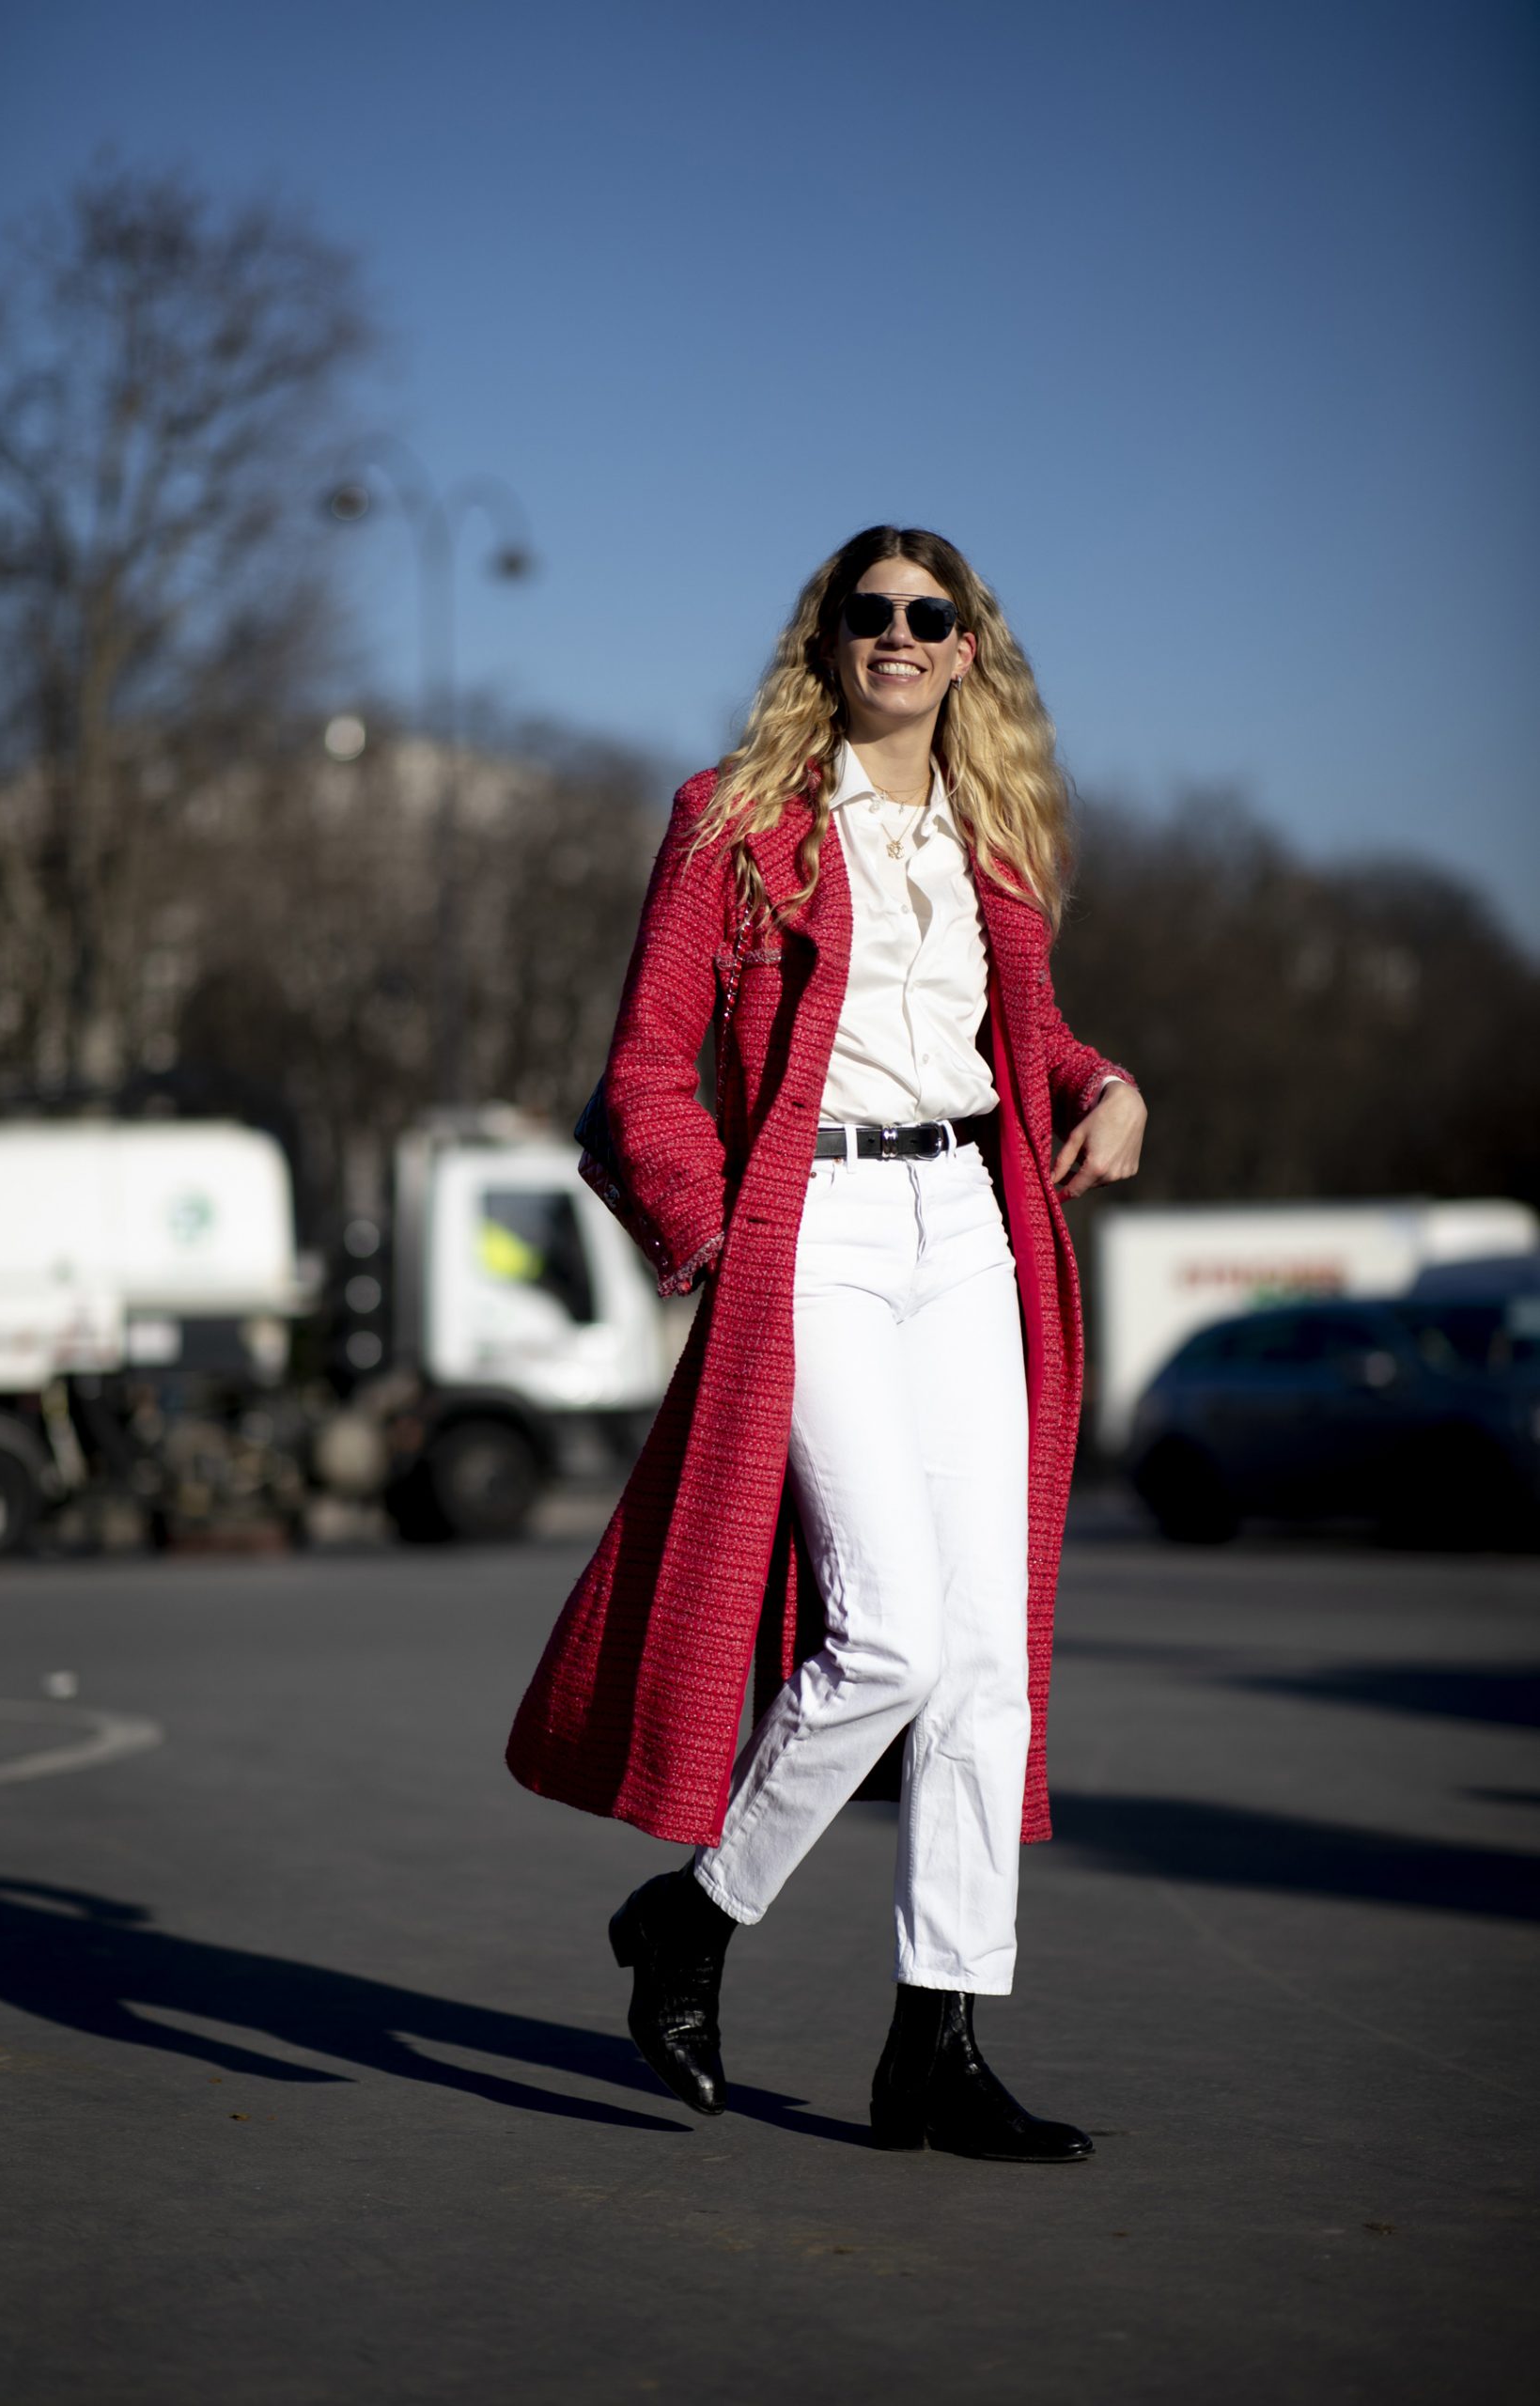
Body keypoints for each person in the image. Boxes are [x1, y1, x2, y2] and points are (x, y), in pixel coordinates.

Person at [507, 525, 1145, 2160]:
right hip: (824, 1236)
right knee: (890, 1641)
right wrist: (724, 1240)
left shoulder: (994, 835)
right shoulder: (736, 823)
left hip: (975, 1234)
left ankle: (936, 2044)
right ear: (830, 638)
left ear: (968, 650)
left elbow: (1026, 1032)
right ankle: (696, 1917)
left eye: (932, 618)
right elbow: (649, 1069)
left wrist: (1097, 1086)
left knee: (987, 1666)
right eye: (871, 613)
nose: (900, 636)